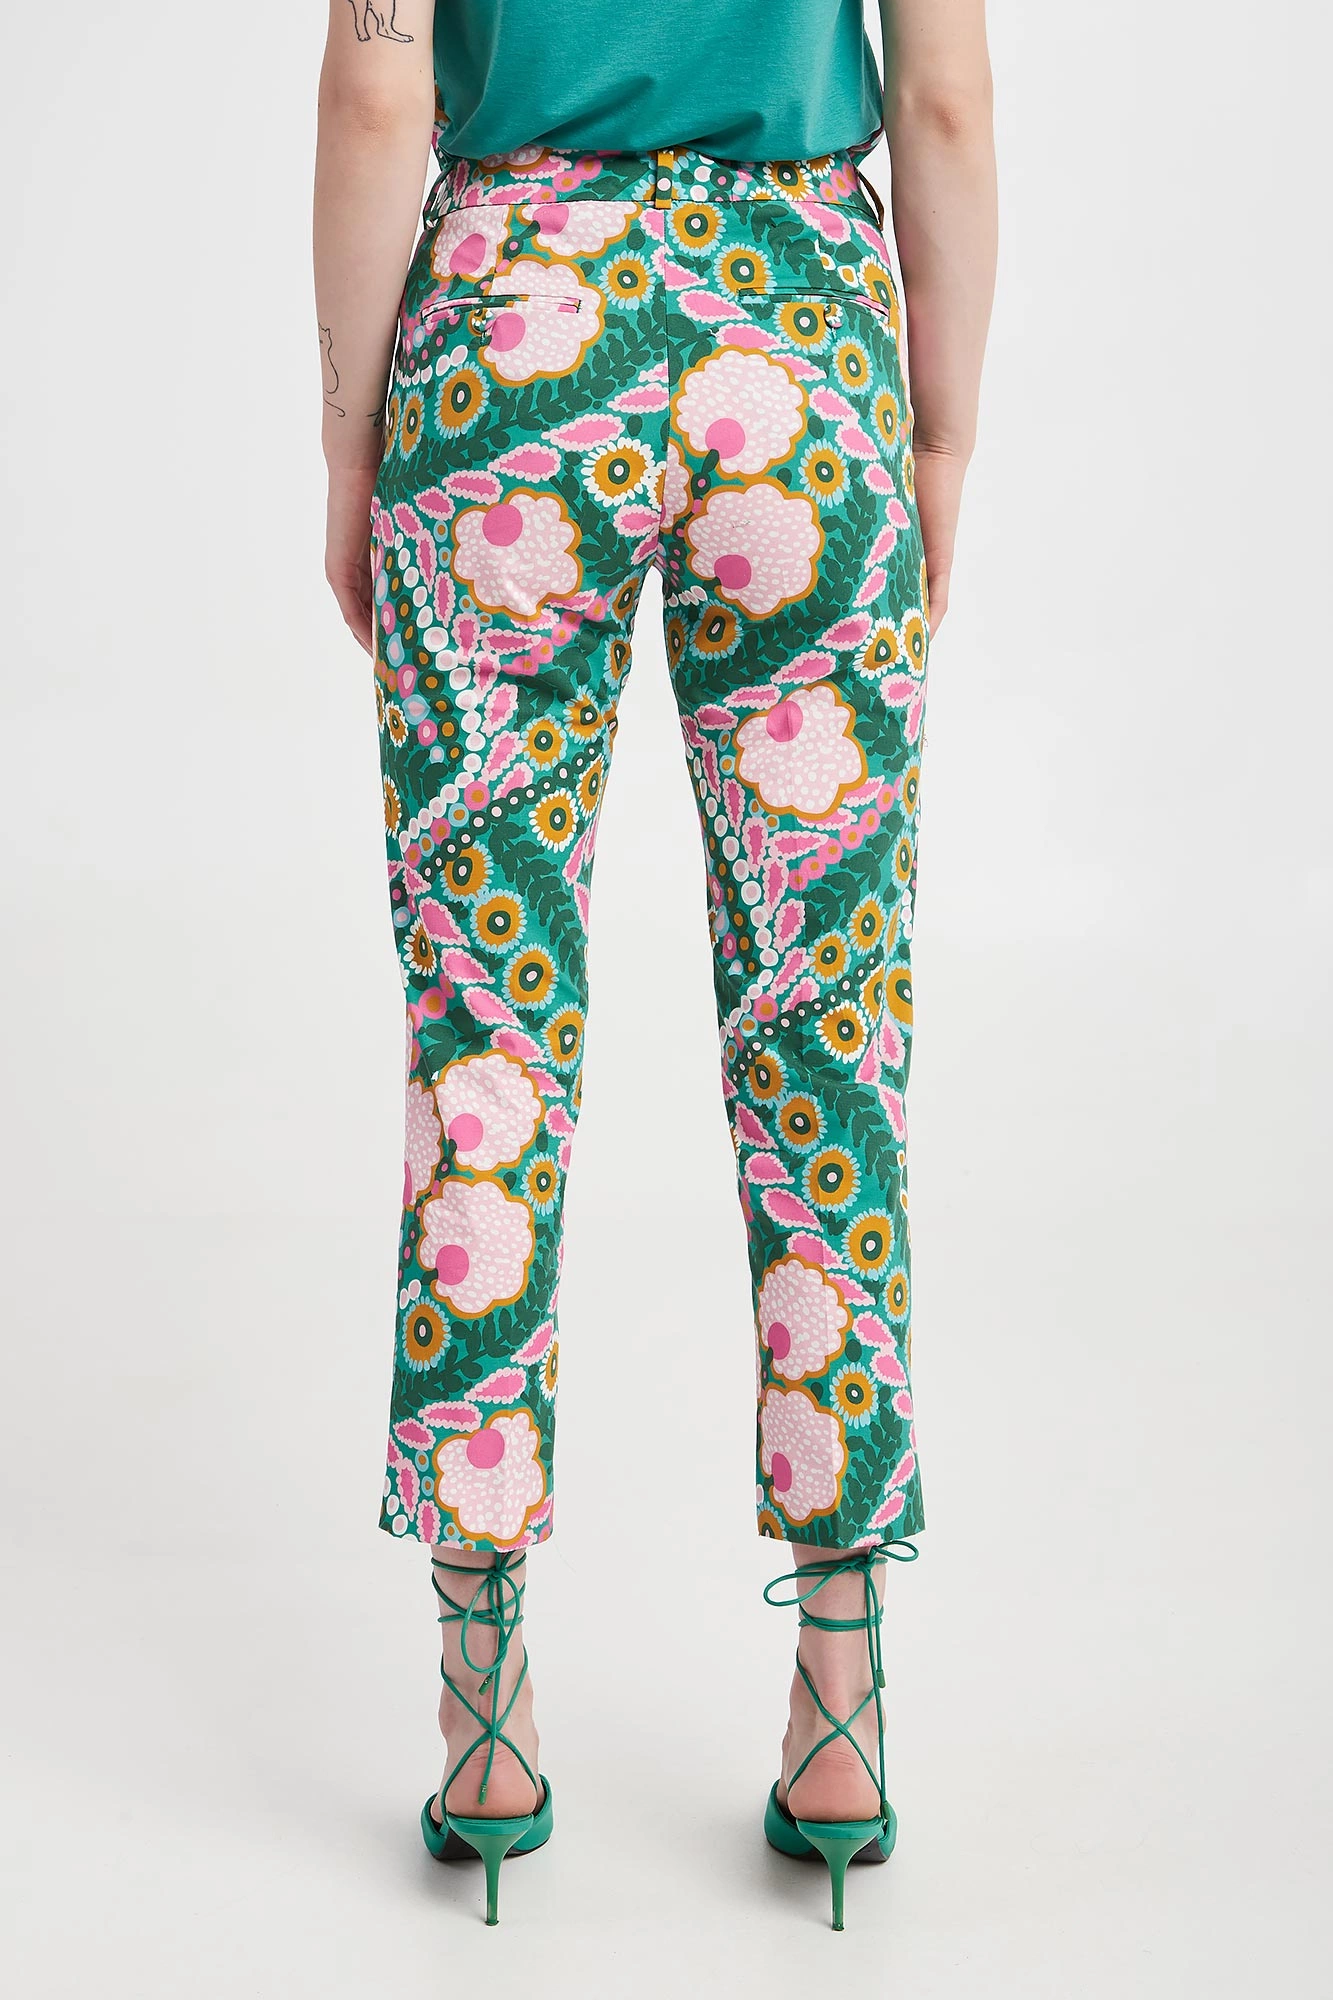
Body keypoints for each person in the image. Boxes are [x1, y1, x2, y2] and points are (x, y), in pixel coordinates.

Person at [314, 0, 996, 1931]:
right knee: (828, 1034)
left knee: (487, 1044)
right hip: (803, 351)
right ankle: (842, 1696)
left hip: (507, 355)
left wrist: (356, 434)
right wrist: (941, 432)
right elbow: (944, 96)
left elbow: (373, 83)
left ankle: (482, 1707)